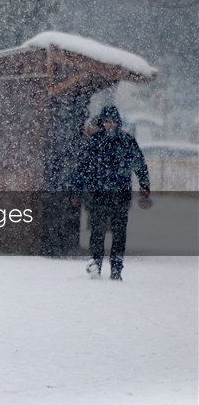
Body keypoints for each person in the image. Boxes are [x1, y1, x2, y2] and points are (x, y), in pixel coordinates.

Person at [73, 106, 150, 280]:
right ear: (103, 122)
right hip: (98, 194)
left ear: (117, 123)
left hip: (120, 195)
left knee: (119, 232)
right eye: (107, 121)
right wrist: (77, 190)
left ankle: (116, 267)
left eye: (112, 121)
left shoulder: (126, 141)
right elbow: (82, 168)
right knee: (98, 231)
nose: (110, 125)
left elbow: (140, 164)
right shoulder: (95, 142)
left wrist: (144, 185)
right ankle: (96, 263)